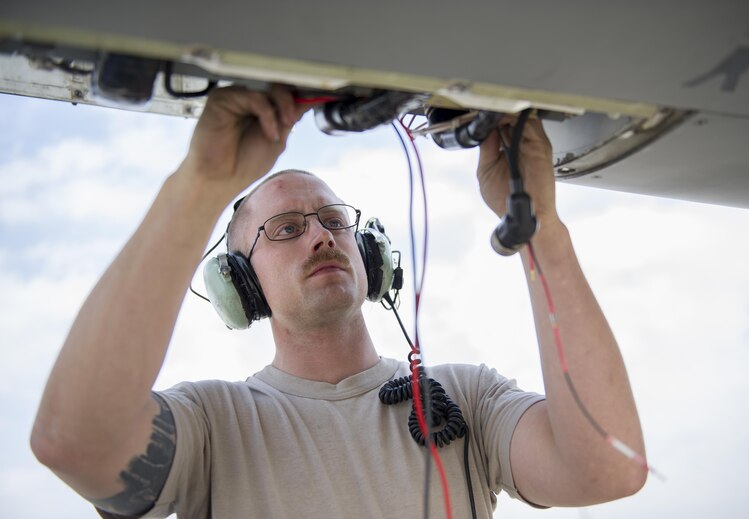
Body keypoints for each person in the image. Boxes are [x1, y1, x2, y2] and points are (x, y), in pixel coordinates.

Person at [30, 85, 647, 518]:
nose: (322, 234)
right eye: (286, 228)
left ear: (370, 254)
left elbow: (607, 468)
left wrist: (540, 225)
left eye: (332, 219)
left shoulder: (469, 400)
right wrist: (202, 182)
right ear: (241, 287)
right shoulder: (212, 424)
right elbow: (71, 440)